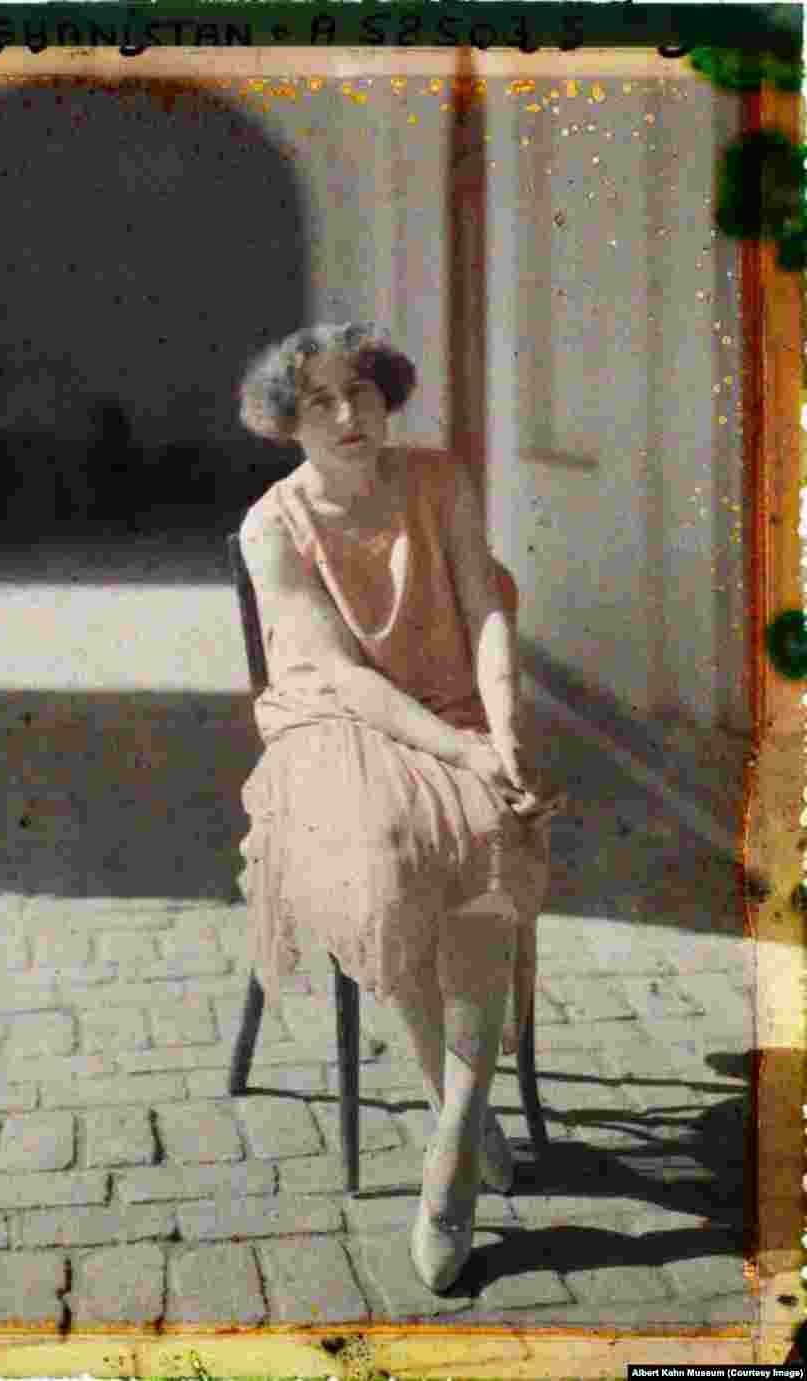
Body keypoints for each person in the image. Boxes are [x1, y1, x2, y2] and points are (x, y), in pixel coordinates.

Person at [235, 323, 562, 1294]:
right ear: (287, 420)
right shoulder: (272, 526)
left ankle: (451, 1144)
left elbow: (486, 610)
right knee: (390, 849)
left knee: (486, 828)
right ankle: (463, 1115)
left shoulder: (436, 480)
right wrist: (460, 748)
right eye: (322, 400)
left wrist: (499, 734)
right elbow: (337, 673)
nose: (348, 415)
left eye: (364, 392)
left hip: (457, 707)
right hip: (334, 727)